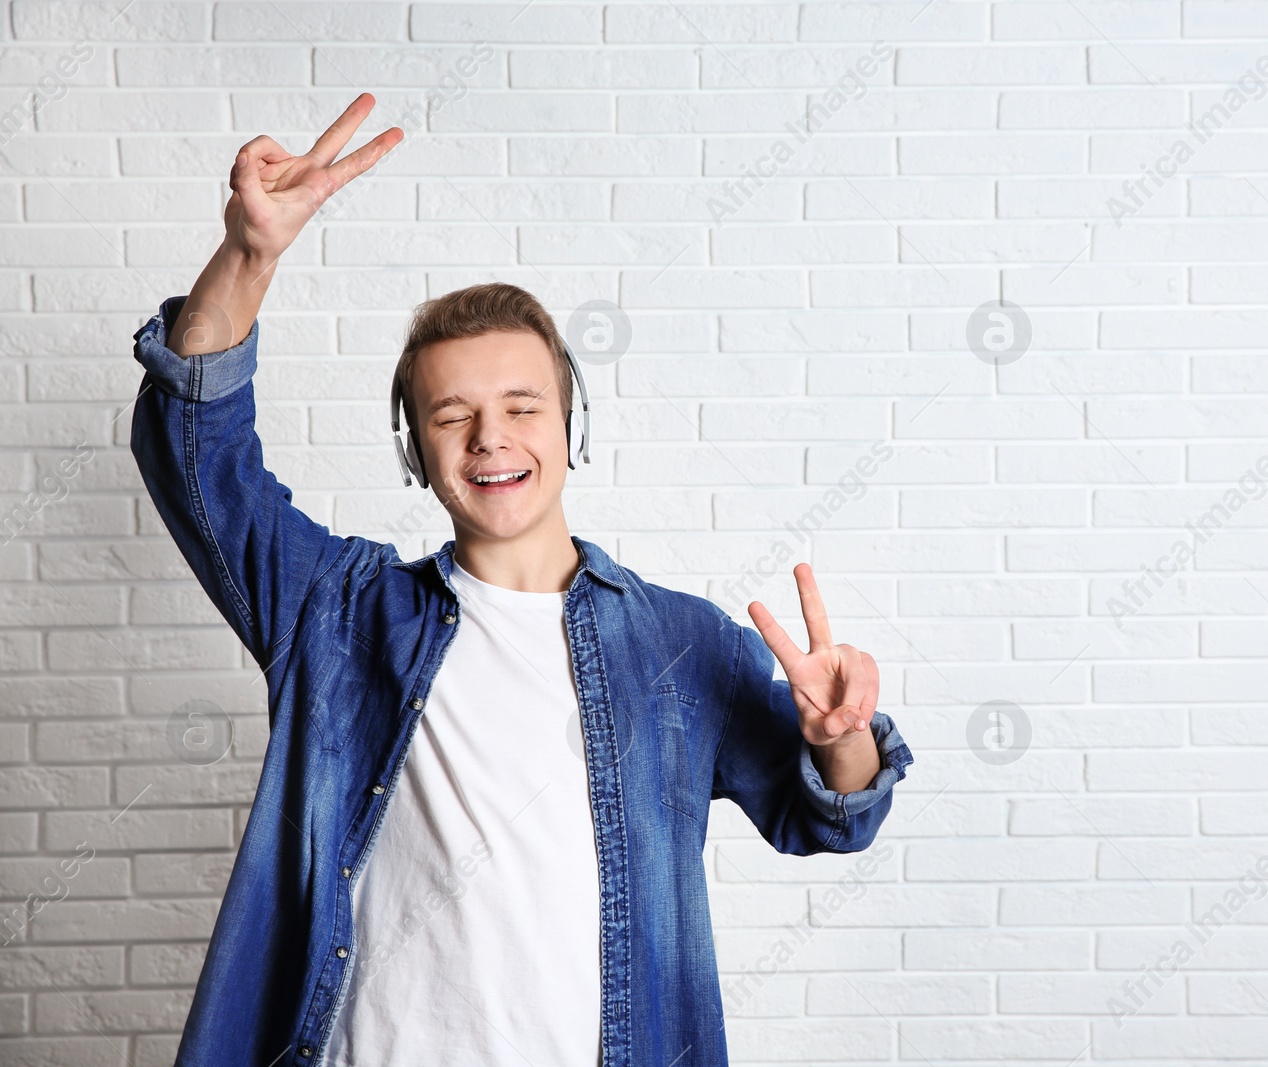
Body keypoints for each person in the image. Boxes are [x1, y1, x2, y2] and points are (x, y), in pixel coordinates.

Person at [128, 92, 914, 1067]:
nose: (490, 435)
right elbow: (199, 455)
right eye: (452, 413)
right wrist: (251, 256)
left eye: (521, 405)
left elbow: (827, 817)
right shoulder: (338, 612)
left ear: (570, 427)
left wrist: (840, 744)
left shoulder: (681, 645)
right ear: (417, 450)